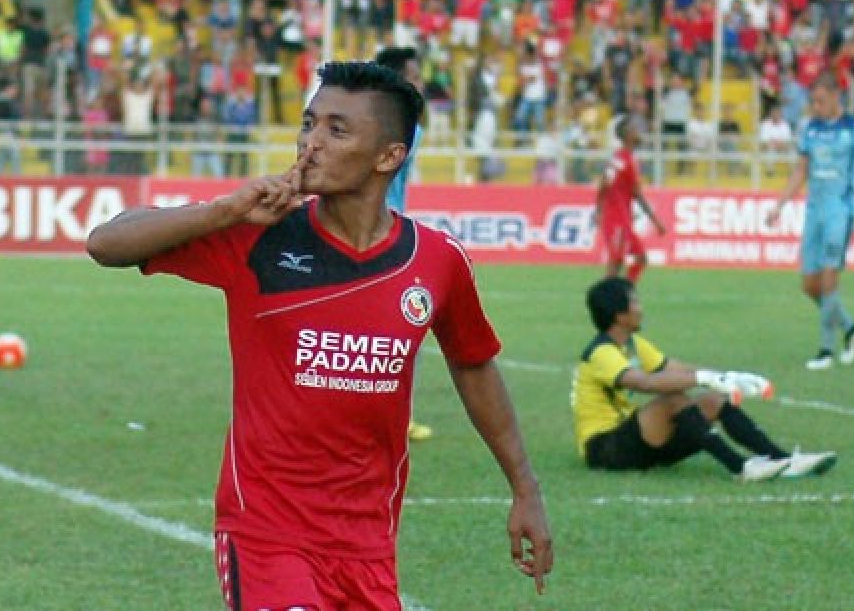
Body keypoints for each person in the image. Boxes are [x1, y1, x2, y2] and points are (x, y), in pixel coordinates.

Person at [86, 61, 552, 609]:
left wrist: (525, 488)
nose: (311, 143)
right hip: (265, 537)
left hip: (369, 549)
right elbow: (106, 243)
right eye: (309, 123)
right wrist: (225, 209)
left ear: (389, 157)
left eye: (337, 129)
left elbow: (473, 364)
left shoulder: (437, 261)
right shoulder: (257, 236)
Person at [573, 277, 837, 481]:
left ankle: (785, 460)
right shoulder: (600, 353)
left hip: (637, 443)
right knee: (673, 400)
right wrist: (703, 377)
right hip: (604, 449)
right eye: (635, 303)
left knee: (713, 400)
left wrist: (724, 377)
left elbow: (672, 368)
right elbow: (645, 383)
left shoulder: (633, 344)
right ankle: (741, 468)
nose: (641, 309)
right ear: (620, 315)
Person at [766, 77, 854, 371]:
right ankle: (849, 328)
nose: (816, 106)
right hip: (814, 211)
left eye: (821, 100)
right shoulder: (810, 128)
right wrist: (780, 205)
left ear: (837, 96)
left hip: (841, 210)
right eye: (814, 101)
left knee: (828, 277)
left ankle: (825, 350)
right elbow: (800, 171)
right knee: (809, 285)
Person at [376, 45, 434, 443]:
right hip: (382, 231)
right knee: (393, 330)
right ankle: (393, 417)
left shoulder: (399, 127)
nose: (420, 83)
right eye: (413, 76)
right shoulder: (402, 130)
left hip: (386, 226)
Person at [593, 115, 667, 283]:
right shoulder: (620, 159)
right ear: (628, 134)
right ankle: (605, 301)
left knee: (641, 258)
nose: (640, 132)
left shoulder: (629, 158)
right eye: (636, 129)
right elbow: (605, 183)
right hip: (616, 219)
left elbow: (634, 192)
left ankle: (625, 292)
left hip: (624, 220)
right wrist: (598, 210)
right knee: (615, 263)